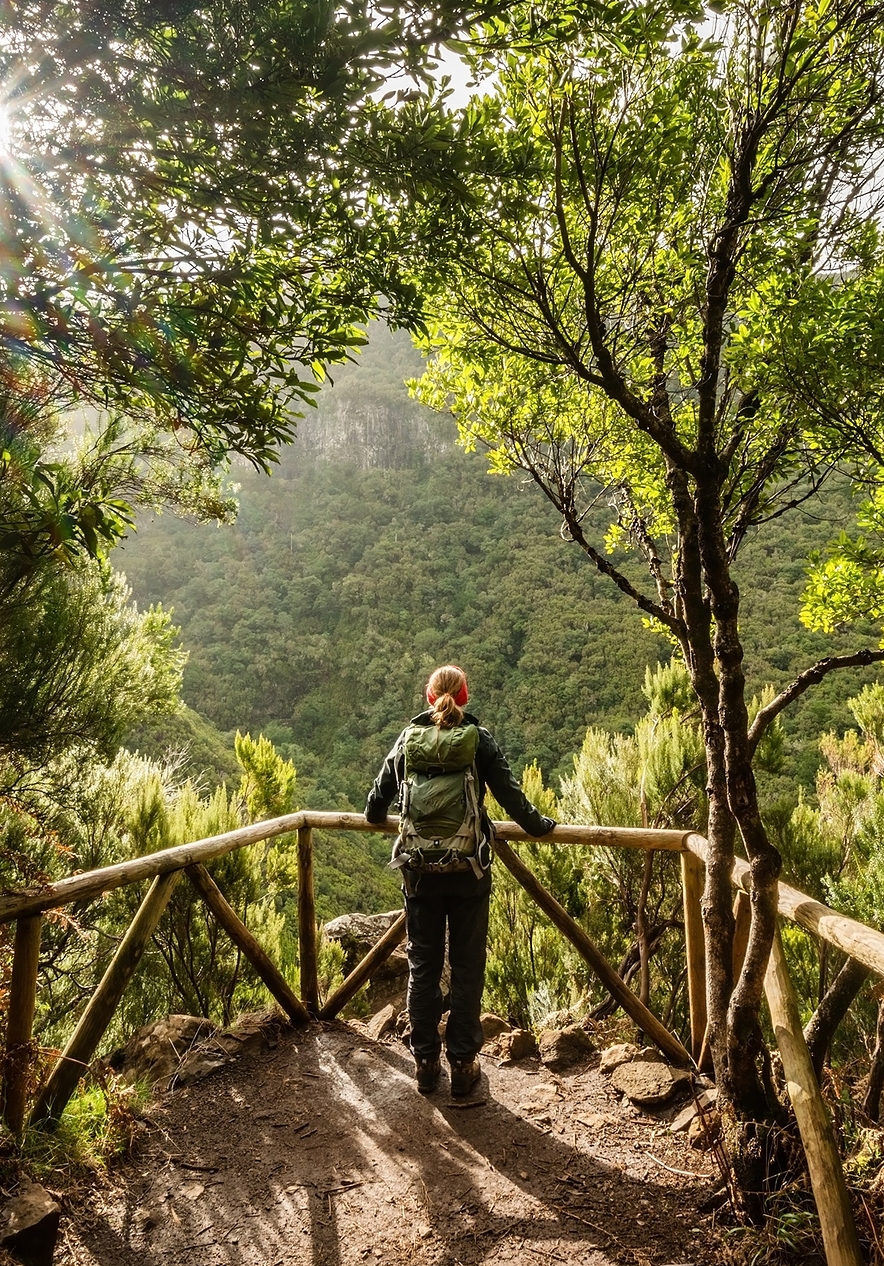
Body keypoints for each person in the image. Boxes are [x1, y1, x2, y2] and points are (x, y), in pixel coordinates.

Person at [364, 664, 555, 1096]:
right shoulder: (477, 740)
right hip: (469, 873)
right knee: (468, 968)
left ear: (430, 698)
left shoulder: (408, 740)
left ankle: (425, 1062)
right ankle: (464, 1066)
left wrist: (383, 818)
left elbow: (375, 806)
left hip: (419, 875)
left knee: (423, 966)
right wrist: (541, 826)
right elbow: (511, 796)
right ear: (463, 697)